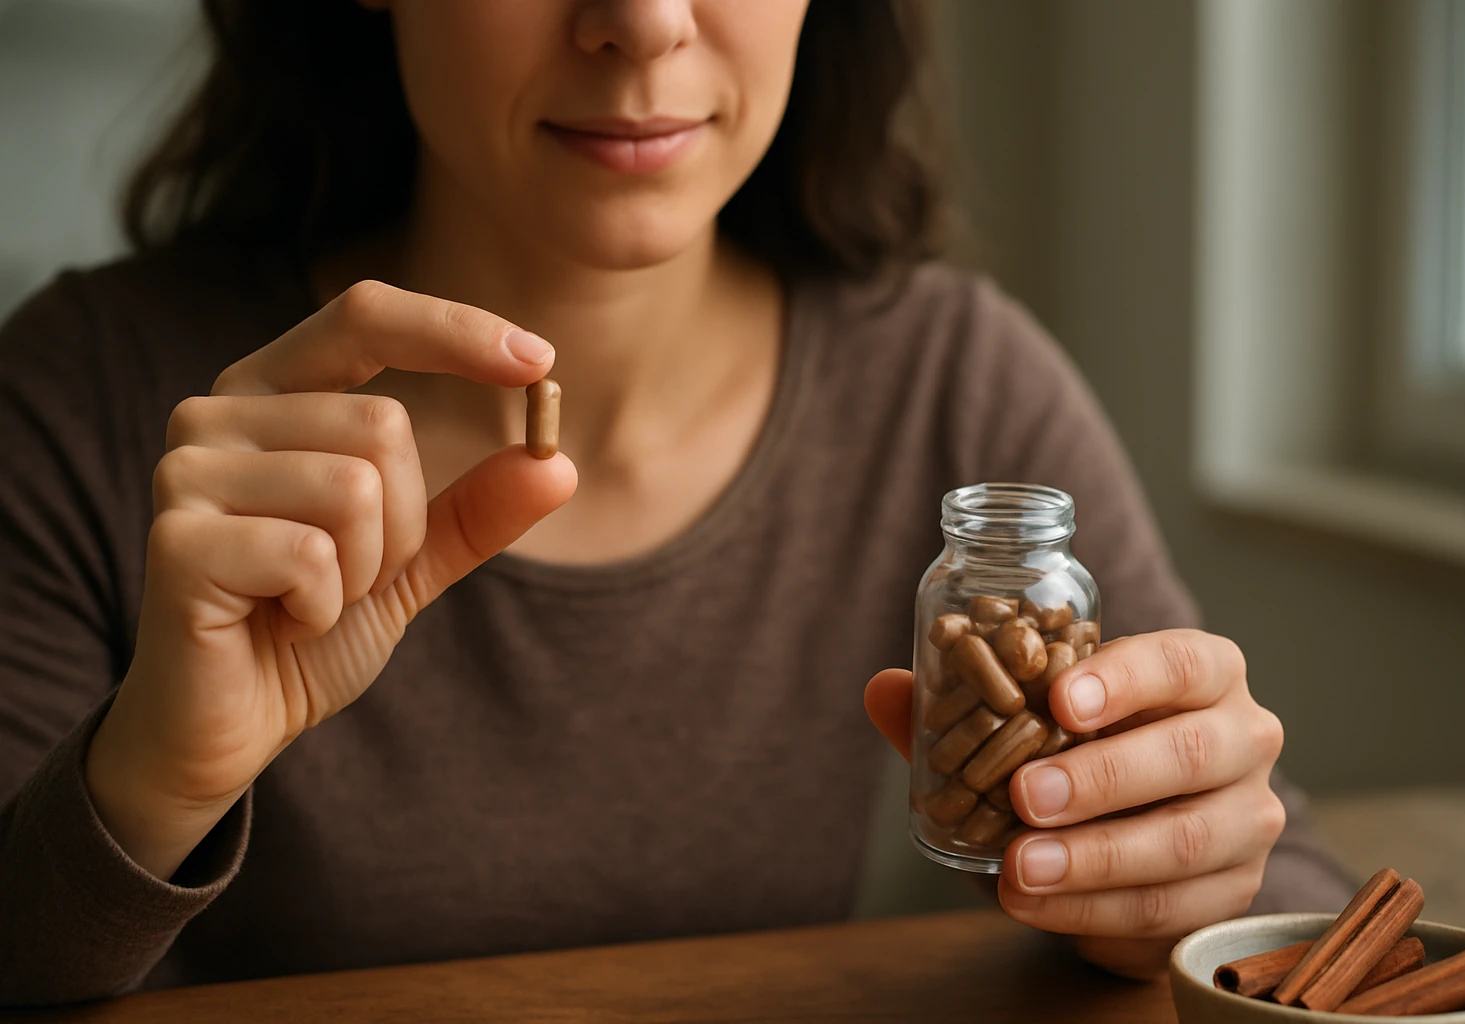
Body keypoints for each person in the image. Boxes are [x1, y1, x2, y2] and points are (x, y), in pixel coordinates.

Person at [0, 0, 1356, 1006]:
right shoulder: (84, 398)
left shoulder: (953, 385)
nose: (645, 23)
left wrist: (1161, 893)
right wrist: (157, 774)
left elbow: (1291, 909)